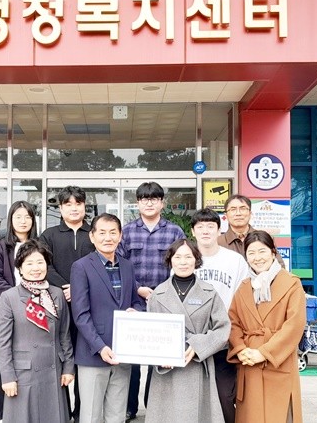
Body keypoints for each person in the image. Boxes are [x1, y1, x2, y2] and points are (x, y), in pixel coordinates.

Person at [117, 181, 185, 421]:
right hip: (132, 301)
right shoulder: (126, 232)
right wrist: (138, 289)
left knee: (159, 357)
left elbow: (182, 264)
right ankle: (129, 408)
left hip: (165, 302)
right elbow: (118, 266)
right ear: (137, 203)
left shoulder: (174, 232)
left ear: (162, 203)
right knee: (131, 358)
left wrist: (160, 293)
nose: (149, 203)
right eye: (144, 199)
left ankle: (153, 406)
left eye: (154, 199)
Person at [145, 238, 229, 423]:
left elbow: (223, 329)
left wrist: (198, 345)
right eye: (178, 257)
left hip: (198, 365)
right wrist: (160, 357)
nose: (183, 262)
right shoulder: (157, 294)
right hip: (167, 372)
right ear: (170, 260)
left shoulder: (209, 292)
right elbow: (151, 334)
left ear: (196, 259)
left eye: (188, 257)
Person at [70, 213, 143, 423]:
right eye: (102, 232)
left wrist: (137, 312)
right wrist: (100, 347)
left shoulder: (127, 266)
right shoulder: (81, 267)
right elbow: (81, 314)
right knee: (91, 416)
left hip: (122, 353)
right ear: (92, 236)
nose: (108, 237)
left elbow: (135, 301)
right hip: (93, 354)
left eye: (113, 232)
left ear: (120, 236)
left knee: (117, 415)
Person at [228, 230, 306, 423]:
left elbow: (294, 325)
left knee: (279, 414)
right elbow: (233, 322)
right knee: (251, 415)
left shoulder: (291, 283)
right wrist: (240, 349)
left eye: (262, 251)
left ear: (273, 252)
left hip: (277, 360)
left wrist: (264, 353)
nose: (257, 258)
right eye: (251, 253)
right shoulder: (244, 287)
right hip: (249, 361)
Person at [0, 239, 75, 423]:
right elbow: (3, 342)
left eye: (40, 262)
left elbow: (64, 335)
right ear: (20, 268)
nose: (36, 268)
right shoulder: (9, 297)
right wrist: (7, 377)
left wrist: (68, 367)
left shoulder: (57, 294)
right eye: (29, 263)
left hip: (53, 371)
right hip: (23, 374)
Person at [40, 185, 96, 420]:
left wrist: (79, 288)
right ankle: (60, 412)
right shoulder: (49, 235)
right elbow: (44, 265)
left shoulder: (94, 233)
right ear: (61, 208)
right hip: (58, 307)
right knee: (60, 358)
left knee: (85, 362)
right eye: (68, 204)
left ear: (85, 206)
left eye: (78, 203)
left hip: (89, 308)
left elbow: (99, 263)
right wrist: (67, 287)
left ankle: (82, 412)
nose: (74, 208)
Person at [192, 208, 248, 423]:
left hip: (225, 338)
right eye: (200, 227)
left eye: (210, 226)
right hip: (194, 339)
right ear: (193, 231)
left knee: (224, 395)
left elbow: (244, 297)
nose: (205, 231)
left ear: (219, 230)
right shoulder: (186, 258)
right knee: (196, 396)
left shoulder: (234, 260)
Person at [0, 201, 37, 422]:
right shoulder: (0, 247)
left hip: (34, 312)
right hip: (4, 312)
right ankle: (1, 414)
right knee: (2, 362)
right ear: (11, 220)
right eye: (18, 217)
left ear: (33, 220)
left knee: (30, 362)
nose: (23, 221)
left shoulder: (38, 246)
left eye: (27, 217)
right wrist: (17, 299)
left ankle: (27, 409)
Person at [218, 194, 285, 267]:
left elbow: (279, 267)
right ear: (226, 215)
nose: (238, 213)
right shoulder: (218, 242)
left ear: (250, 213)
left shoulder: (265, 237)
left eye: (243, 209)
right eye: (233, 209)